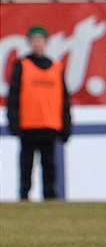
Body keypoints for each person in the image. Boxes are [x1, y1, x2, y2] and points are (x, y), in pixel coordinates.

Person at [7, 25, 71, 201]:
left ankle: (50, 197)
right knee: (26, 164)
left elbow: (64, 99)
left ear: (46, 43)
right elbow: (13, 96)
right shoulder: (22, 65)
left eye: (40, 40)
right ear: (29, 43)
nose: (38, 44)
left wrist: (66, 125)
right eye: (34, 40)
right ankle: (24, 195)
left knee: (49, 165)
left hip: (50, 124)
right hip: (28, 124)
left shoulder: (56, 67)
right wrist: (13, 121)